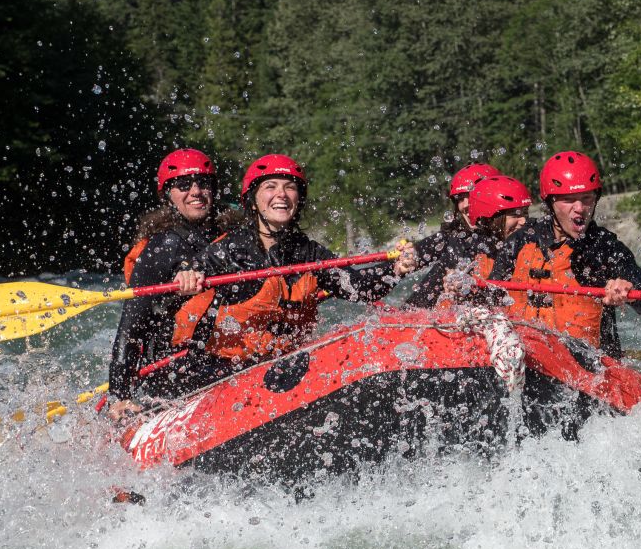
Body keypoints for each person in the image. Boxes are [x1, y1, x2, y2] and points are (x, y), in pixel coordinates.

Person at [169, 154, 418, 388]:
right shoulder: (230, 249)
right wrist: (187, 274)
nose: (282, 194)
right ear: (253, 201)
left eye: (290, 187)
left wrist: (396, 268)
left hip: (283, 364)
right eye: (271, 187)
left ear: (298, 200)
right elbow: (194, 268)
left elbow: (359, 288)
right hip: (224, 368)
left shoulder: (309, 252)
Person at [486, 151, 641, 358]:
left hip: (590, 363)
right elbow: (490, 297)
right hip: (529, 355)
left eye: (586, 199)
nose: (580, 209)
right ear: (550, 202)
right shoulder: (523, 240)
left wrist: (630, 291)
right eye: (569, 200)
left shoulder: (605, 247)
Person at [106, 148, 233, 419]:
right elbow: (131, 327)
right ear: (168, 195)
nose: (196, 191)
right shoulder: (162, 247)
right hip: (173, 374)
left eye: (203, 183)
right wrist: (119, 396)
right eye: (184, 185)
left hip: (225, 360)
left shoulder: (234, 239)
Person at [409, 173, 531, 308]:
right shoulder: (464, 252)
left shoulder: (535, 240)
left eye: (525, 213)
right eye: (515, 214)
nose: (524, 221)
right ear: (492, 218)